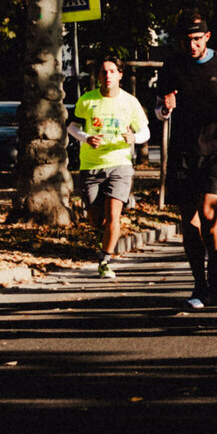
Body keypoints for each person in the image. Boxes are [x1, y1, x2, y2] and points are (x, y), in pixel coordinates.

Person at [154, 10, 217, 311]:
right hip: (183, 148)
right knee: (189, 221)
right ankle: (199, 282)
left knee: (208, 212)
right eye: (185, 40)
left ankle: (215, 261)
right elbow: (159, 108)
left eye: (195, 39)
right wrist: (165, 108)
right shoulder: (172, 65)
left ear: (207, 37)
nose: (191, 46)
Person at [68, 52, 151, 278]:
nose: (107, 76)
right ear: (98, 76)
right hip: (91, 165)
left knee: (114, 215)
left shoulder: (129, 102)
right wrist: (86, 138)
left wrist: (135, 138)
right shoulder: (87, 99)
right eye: (103, 72)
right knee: (96, 218)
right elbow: (72, 127)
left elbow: (145, 131)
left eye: (112, 72)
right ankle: (103, 230)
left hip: (120, 164)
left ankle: (105, 260)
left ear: (119, 75)